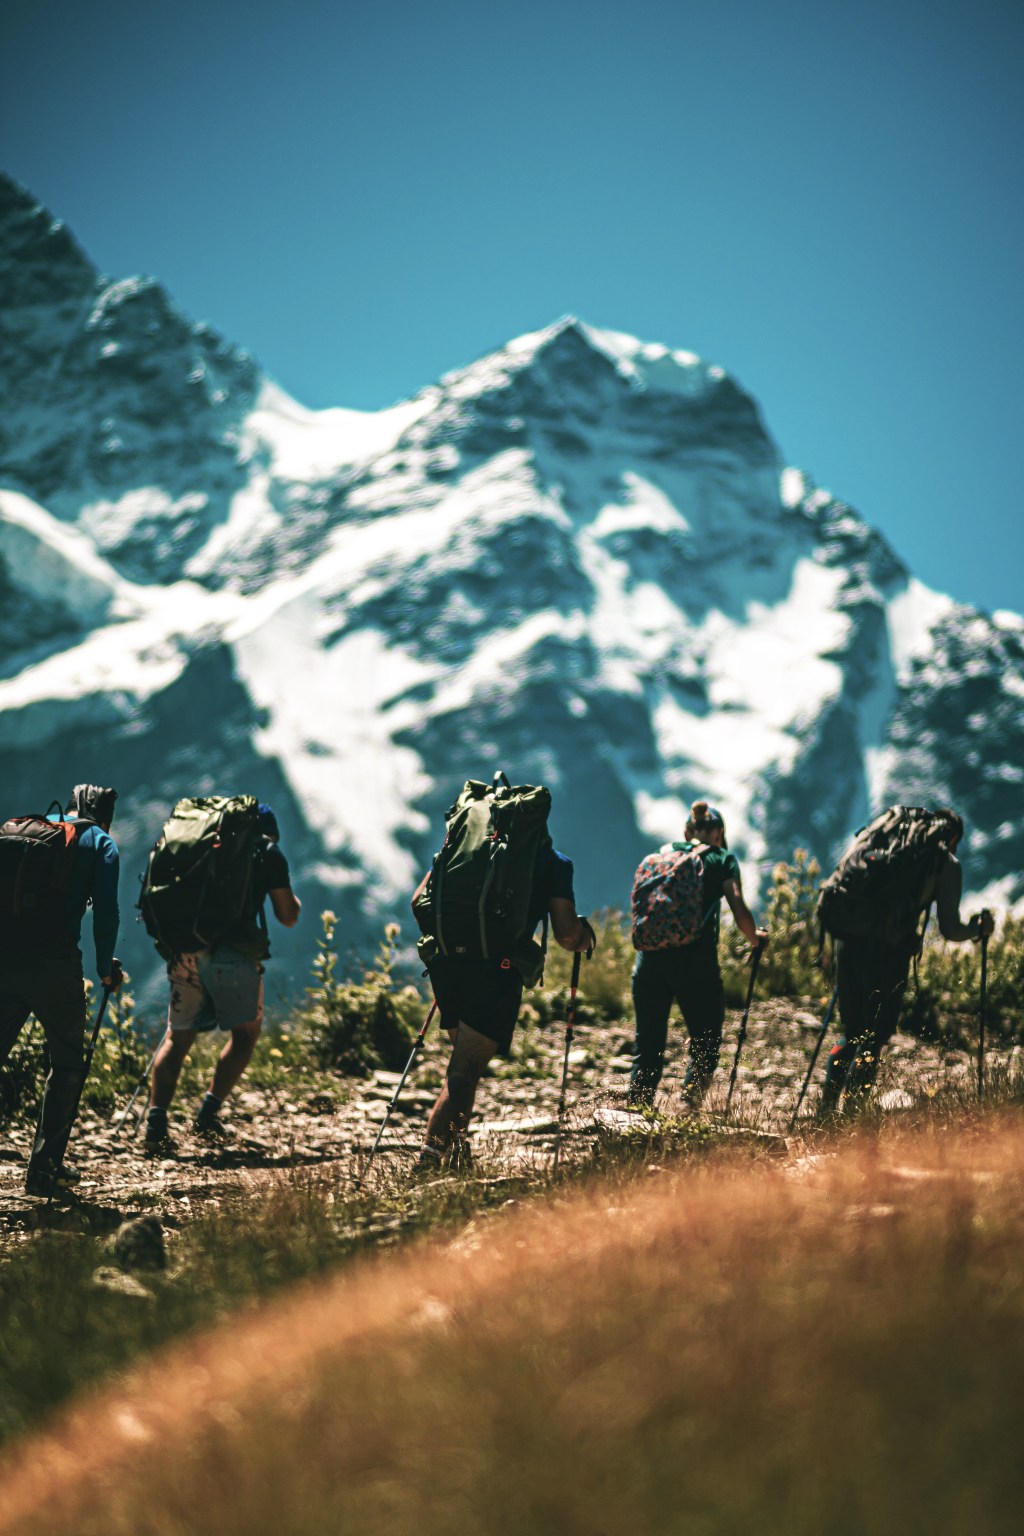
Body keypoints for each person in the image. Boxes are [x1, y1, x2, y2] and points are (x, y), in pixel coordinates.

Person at [411, 838, 596, 1174]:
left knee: (464, 1064)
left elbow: (417, 902)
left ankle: (456, 1154)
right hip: (496, 972)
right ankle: (428, 1162)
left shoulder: (463, 852)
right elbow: (567, 935)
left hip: (447, 964)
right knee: (465, 1069)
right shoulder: (553, 861)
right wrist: (586, 938)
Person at [144, 802, 300, 1151]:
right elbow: (287, 915)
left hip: (184, 948)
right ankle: (207, 1115)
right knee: (245, 1035)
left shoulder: (206, 849)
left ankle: (156, 1125)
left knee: (178, 1038)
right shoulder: (267, 852)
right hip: (231, 956)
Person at [821, 807, 994, 1111]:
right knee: (874, 1038)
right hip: (889, 952)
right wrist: (976, 930)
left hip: (848, 939)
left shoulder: (880, 839)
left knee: (851, 1031)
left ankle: (825, 1112)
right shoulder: (944, 862)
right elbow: (950, 929)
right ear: (952, 837)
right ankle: (851, 1118)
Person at [0, 784, 123, 1197]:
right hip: (54, 965)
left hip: (4, 956)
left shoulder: (34, 829)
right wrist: (106, 970)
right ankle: (44, 1170)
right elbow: (106, 914)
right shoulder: (101, 843)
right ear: (104, 816)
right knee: (67, 1062)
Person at [628, 800, 767, 1111]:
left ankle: (634, 1116)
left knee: (647, 1046)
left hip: (648, 962)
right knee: (705, 1041)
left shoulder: (661, 855)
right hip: (695, 966)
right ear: (717, 833)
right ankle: (689, 1111)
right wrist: (754, 938)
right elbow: (737, 904)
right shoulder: (720, 858)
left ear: (687, 830)